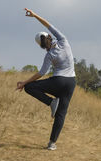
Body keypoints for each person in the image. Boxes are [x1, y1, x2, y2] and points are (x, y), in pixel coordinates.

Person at [16, 8, 76, 151]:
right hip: (71, 83)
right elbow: (47, 24)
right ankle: (52, 143)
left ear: (41, 46)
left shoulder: (49, 55)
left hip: (58, 81)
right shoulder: (63, 40)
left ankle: (51, 102)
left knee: (30, 87)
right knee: (61, 114)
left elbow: (41, 73)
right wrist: (35, 15)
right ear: (49, 36)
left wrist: (24, 83)